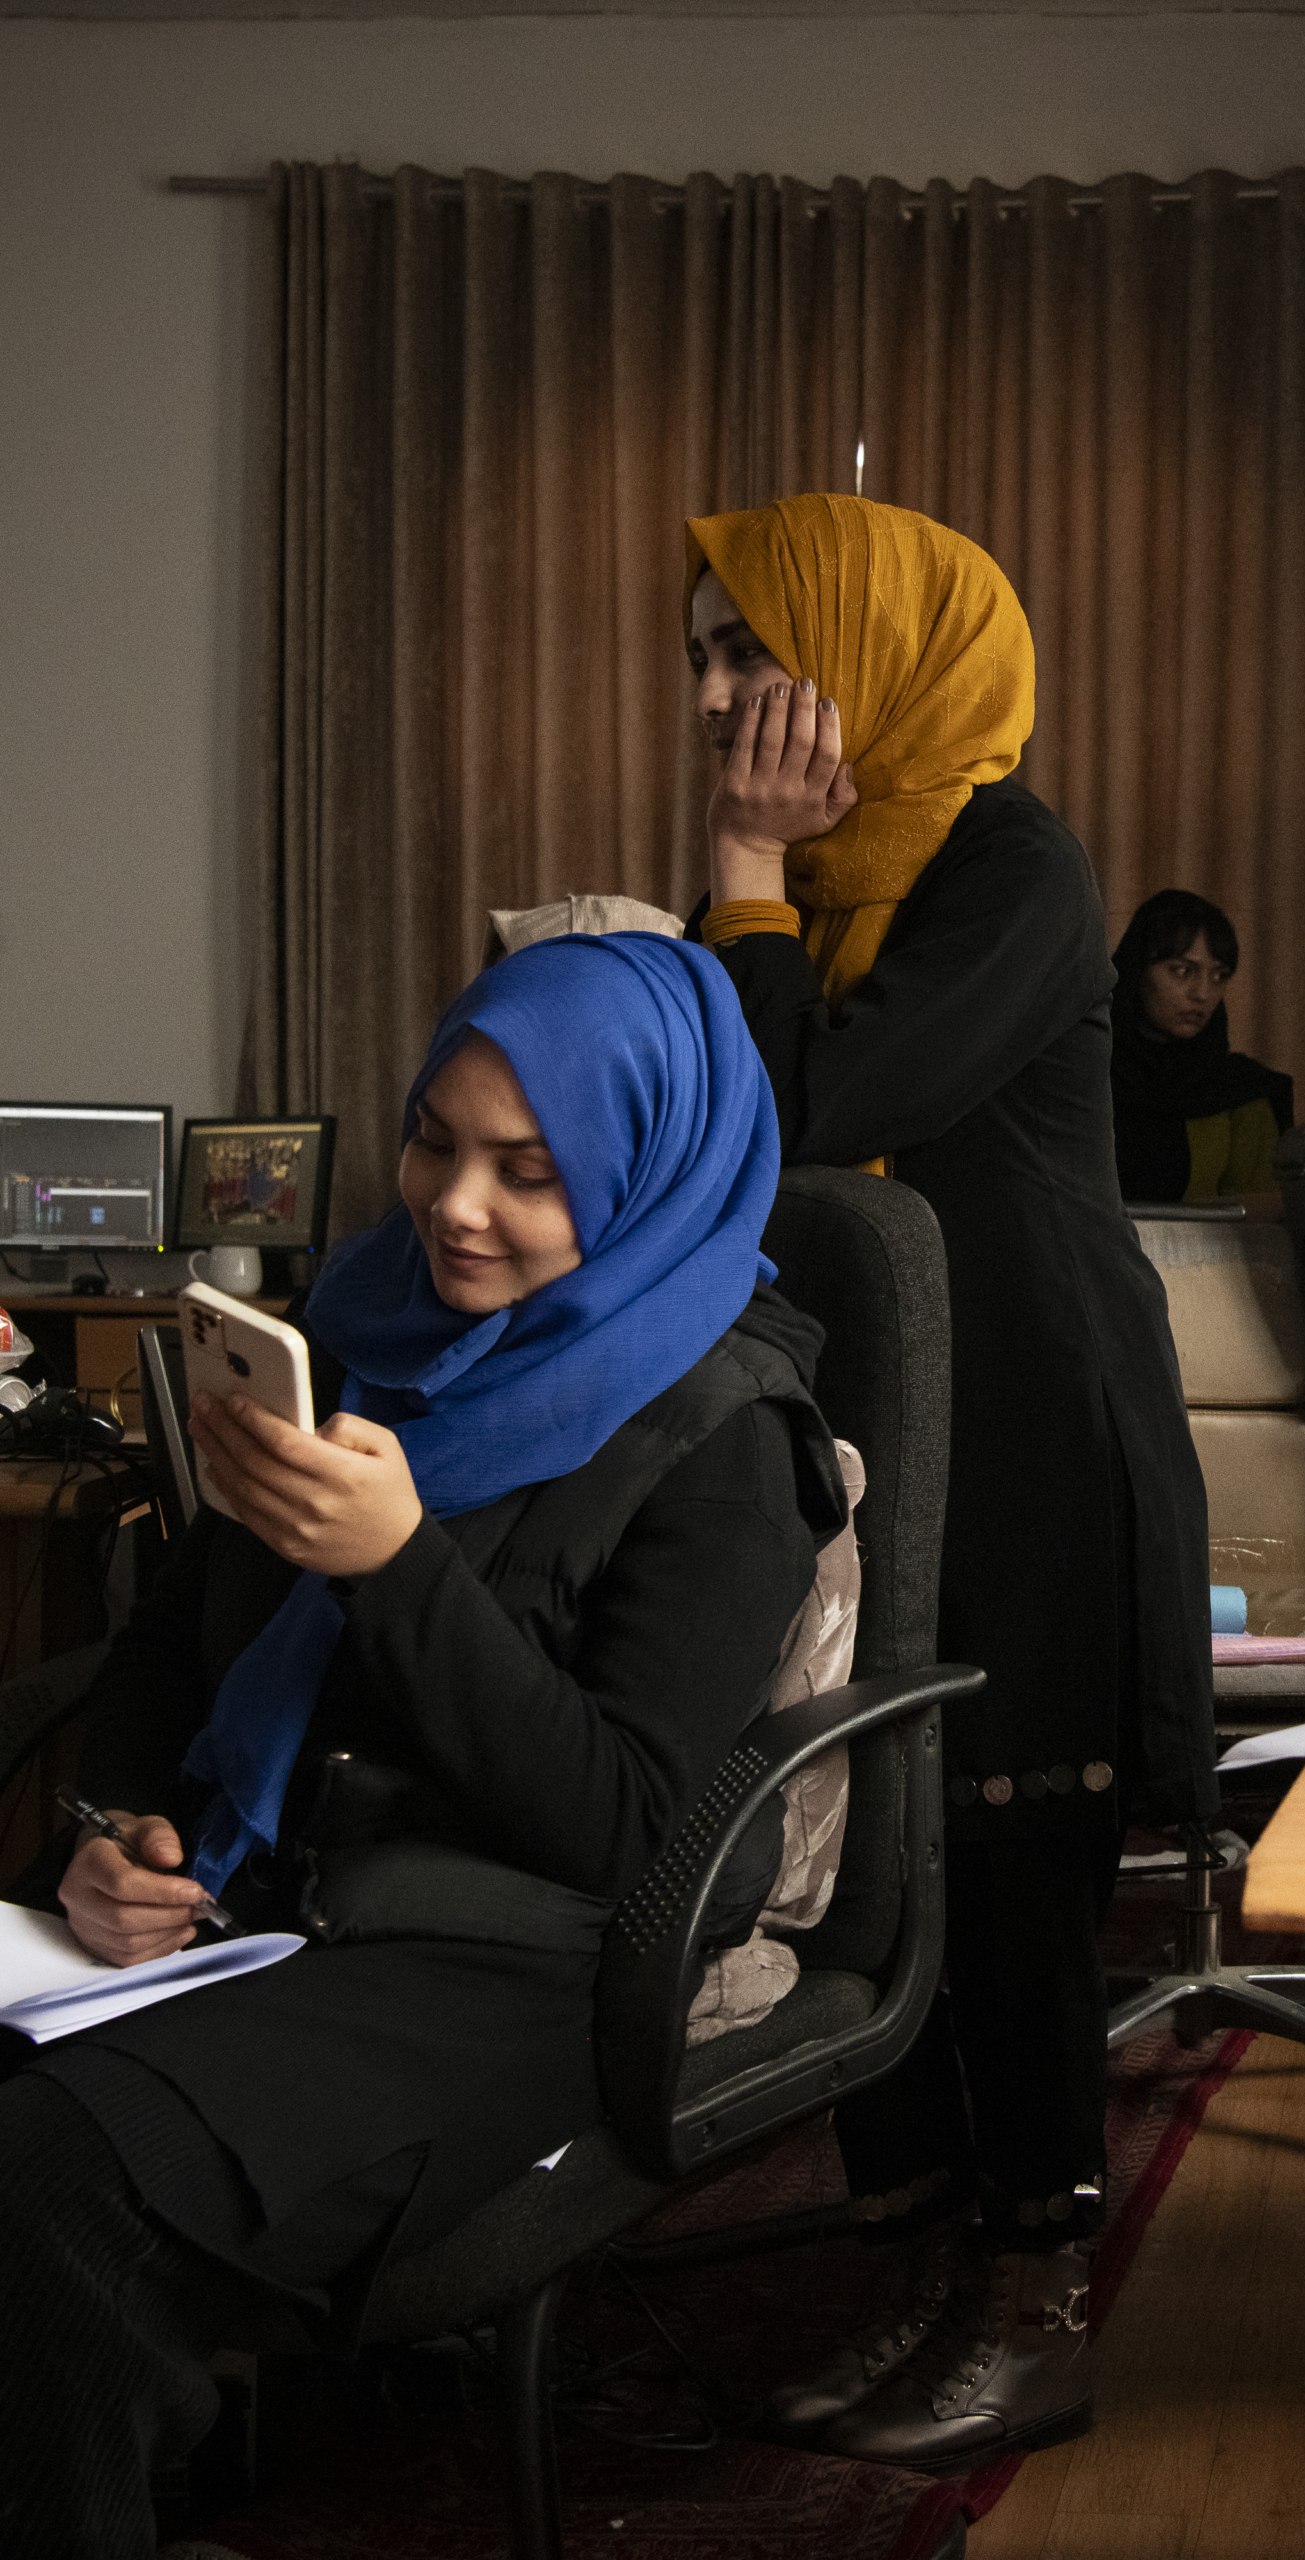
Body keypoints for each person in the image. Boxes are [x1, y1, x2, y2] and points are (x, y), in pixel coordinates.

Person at [0, 934, 844, 2557]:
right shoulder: (364, 1325)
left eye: (528, 1170)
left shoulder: (727, 1438)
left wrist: (395, 1566)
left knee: (50, 2188)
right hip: (259, 1901)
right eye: (434, 1143)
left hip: (500, 1951)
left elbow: (618, 1826)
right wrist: (116, 1823)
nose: (456, 1204)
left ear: (640, 1162)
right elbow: (183, 1632)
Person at [681, 491, 1217, 2469]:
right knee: (874, 1857)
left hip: (1027, 1442)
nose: (722, 699)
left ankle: (1029, 2304)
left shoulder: (1008, 859)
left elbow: (793, 1115)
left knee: (999, 1882)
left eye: (756, 652)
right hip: (882, 1444)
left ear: (877, 660)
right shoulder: (825, 895)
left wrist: (737, 869)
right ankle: (915, 2272)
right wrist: (754, 891)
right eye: (705, 661)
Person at [1108, 889, 1295, 1203]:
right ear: (1138, 970)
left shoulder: (1242, 1093)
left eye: (1219, 976)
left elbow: (1259, 1223)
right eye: (1182, 971)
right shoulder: (1084, 1075)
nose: (1203, 994)